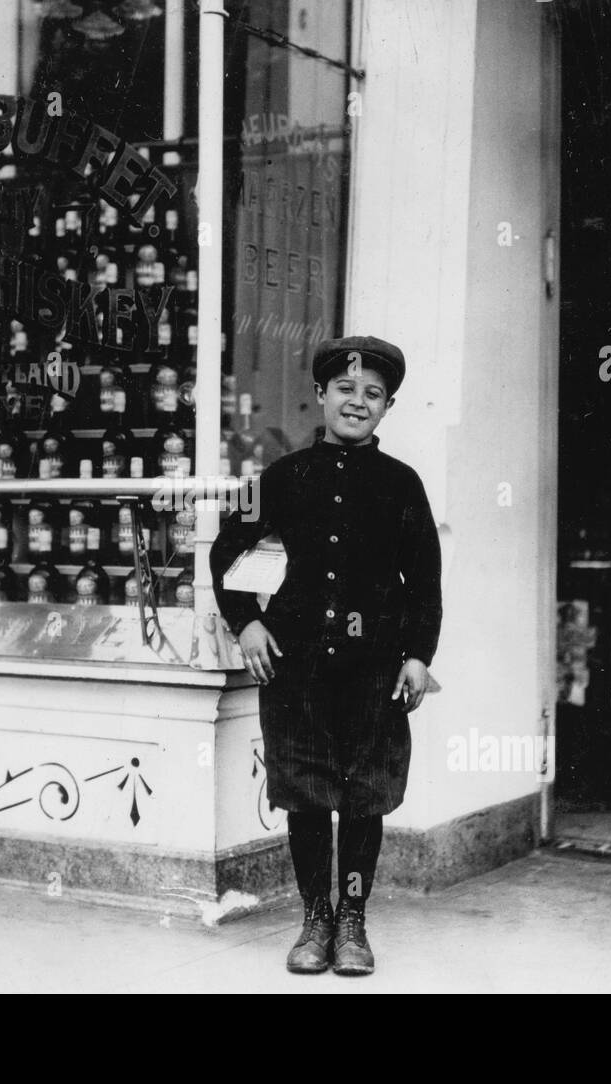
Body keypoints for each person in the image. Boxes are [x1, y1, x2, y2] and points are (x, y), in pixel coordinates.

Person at [210, 335, 442, 976]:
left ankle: (352, 925)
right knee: (307, 796)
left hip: (374, 672)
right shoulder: (281, 478)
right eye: (346, 389)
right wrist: (248, 624)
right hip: (297, 667)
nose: (357, 402)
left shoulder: (402, 485)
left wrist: (418, 656)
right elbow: (225, 551)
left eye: (373, 395)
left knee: (365, 797)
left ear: (387, 406)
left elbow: (425, 581)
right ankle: (315, 920)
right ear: (322, 395)